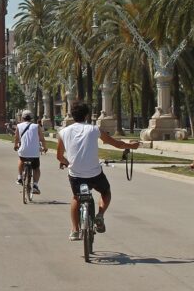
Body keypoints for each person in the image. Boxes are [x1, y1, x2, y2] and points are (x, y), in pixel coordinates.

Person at [56, 103, 140, 241]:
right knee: (105, 192)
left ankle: (75, 230)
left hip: (76, 175)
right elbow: (116, 144)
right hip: (94, 174)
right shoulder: (94, 129)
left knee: (76, 198)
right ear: (87, 115)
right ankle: (100, 215)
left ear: (72, 115)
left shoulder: (63, 132)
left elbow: (59, 156)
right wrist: (132, 146)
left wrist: (66, 163)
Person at [14, 110, 47, 194]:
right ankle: (35, 185)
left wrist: (15, 146)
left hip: (23, 151)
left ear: (22, 118)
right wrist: (45, 147)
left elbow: (16, 138)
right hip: (34, 152)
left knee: (21, 160)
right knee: (36, 168)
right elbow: (42, 139)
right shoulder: (36, 126)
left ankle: (19, 177)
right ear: (31, 118)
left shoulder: (19, 125)